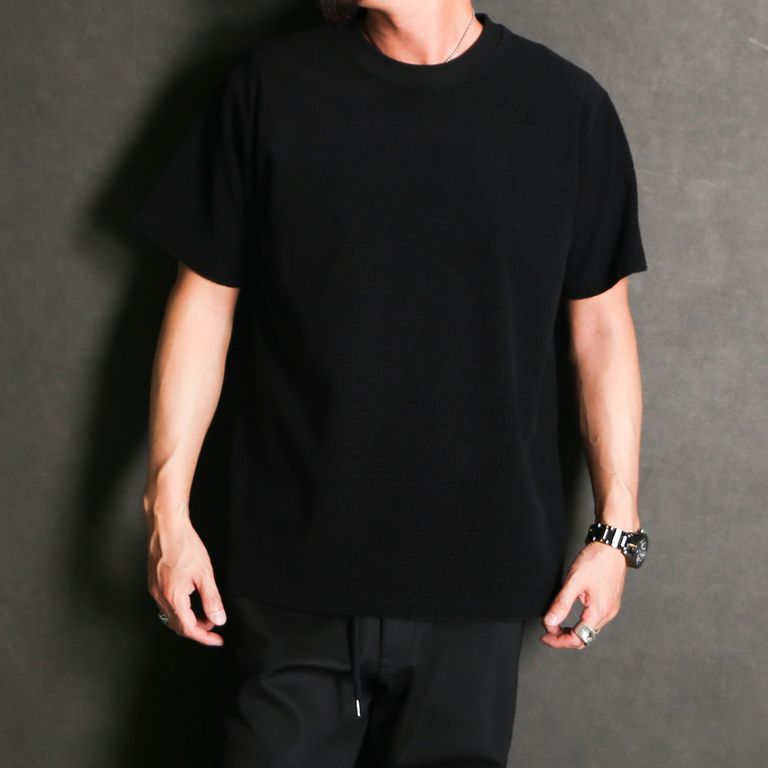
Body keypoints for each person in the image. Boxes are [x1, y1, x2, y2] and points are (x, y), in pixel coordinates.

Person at [131, 1, 650, 765]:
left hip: (476, 587)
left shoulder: (565, 108)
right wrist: (166, 512)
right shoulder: (270, 88)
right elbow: (204, 302)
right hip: (289, 580)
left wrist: (616, 532)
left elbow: (602, 331)